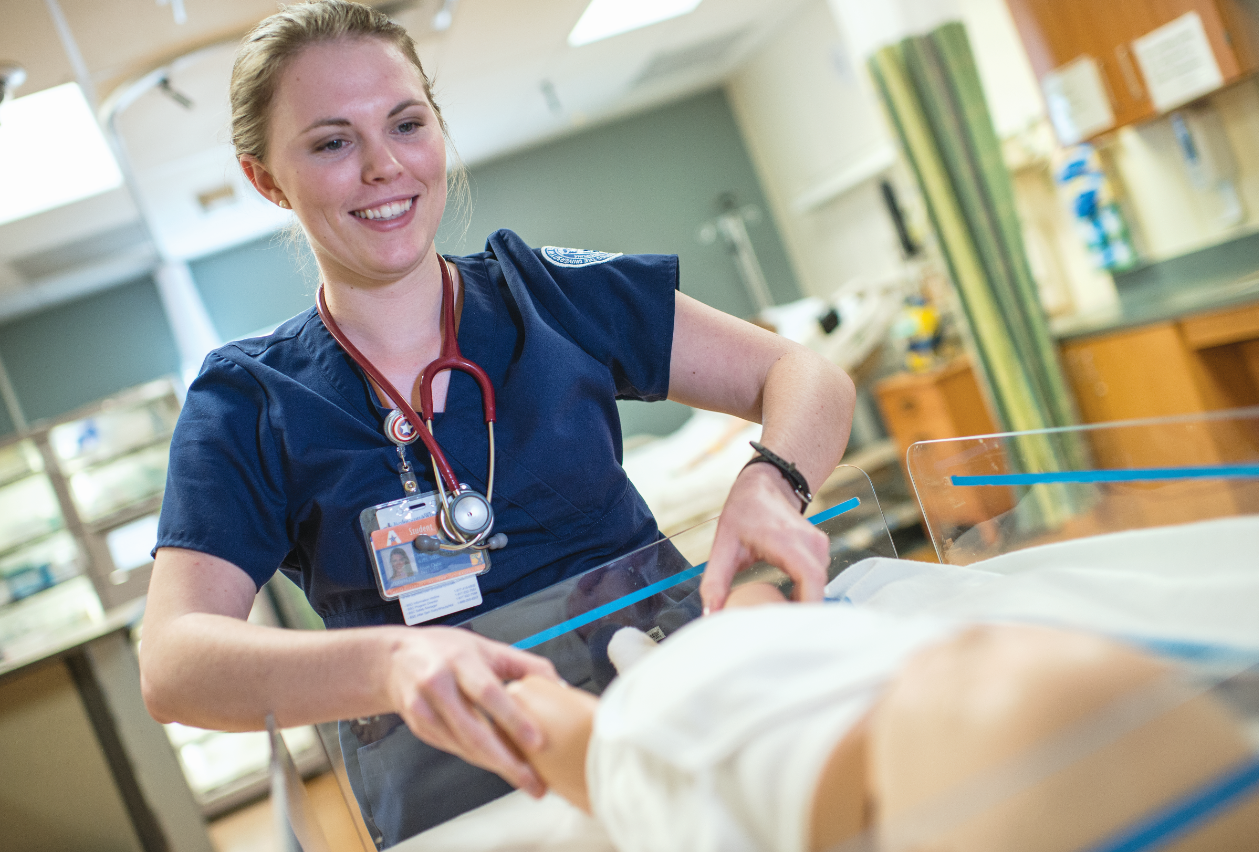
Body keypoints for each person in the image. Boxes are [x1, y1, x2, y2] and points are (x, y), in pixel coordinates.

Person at [137, 0, 855, 845]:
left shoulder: (549, 295)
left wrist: (771, 485)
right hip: (468, 794)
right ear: (265, 179)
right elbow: (175, 663)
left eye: (406, 123)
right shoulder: (250, 402)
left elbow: (801, 373)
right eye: (333, 142)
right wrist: (396, 661)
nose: (383, 166)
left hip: (676, 710)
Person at [503, 582, 1259, 852]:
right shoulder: (643, 738)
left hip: (934, 712)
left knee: (746, 611)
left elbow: (531, 714)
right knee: (748, 609)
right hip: (936, 706)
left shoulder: (642, 738)